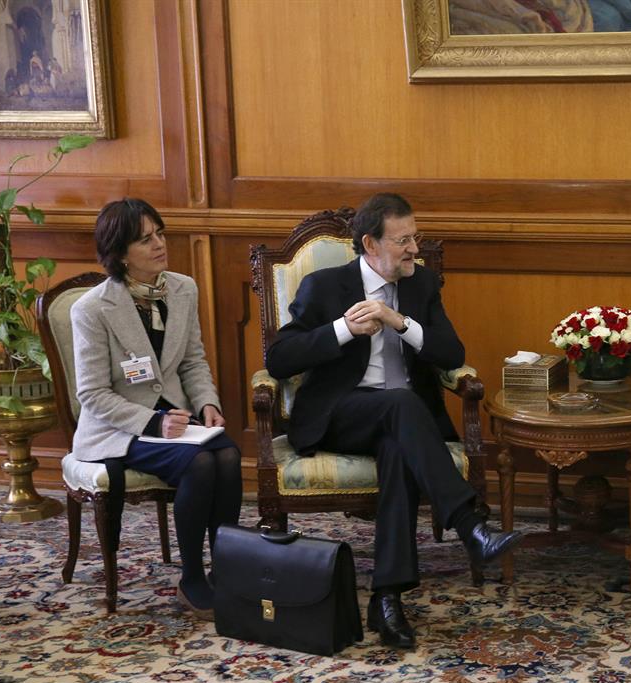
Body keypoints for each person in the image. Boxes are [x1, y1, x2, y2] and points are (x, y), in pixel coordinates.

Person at [265, 193, 524, 649]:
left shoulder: (421, 285)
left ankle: (387, 600)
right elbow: (280, 358)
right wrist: (344, 330)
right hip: (340, 415)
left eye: (416, 237)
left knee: (398, 451)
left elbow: (452, 355)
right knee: (402, 406)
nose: (414, 249)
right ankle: (469, 524)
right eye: (403, 240)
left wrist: (399, 321)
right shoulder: (325, 286)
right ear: (370, 243)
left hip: (401, 424)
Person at [73, 198, 242, 619]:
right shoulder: (92, 309)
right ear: (119, 253)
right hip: (120, 427)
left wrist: (207, 402)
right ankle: (191, 577)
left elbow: (192, 361)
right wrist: (153, 420)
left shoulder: (182, 288)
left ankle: (227, 567)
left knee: (229, 454)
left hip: (178, 418)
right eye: (145, 239)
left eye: (160, 234)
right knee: (201, 464)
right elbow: (91, 394)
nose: (159, 244)